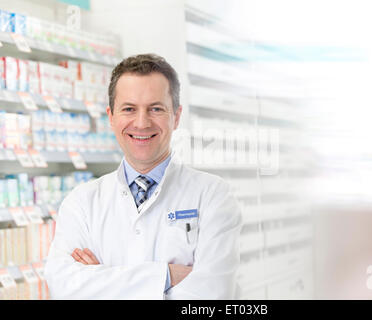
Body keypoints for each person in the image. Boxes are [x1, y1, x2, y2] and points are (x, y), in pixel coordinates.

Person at [44, 53, 242, 299]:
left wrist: (101, 280)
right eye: (129, 109)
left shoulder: (213, 196)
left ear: (176, 117)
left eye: (156, 109)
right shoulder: (81, 203)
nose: (141, 122)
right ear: (111, 117)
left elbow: (210, 296)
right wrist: (166, 276)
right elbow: (64, 288)